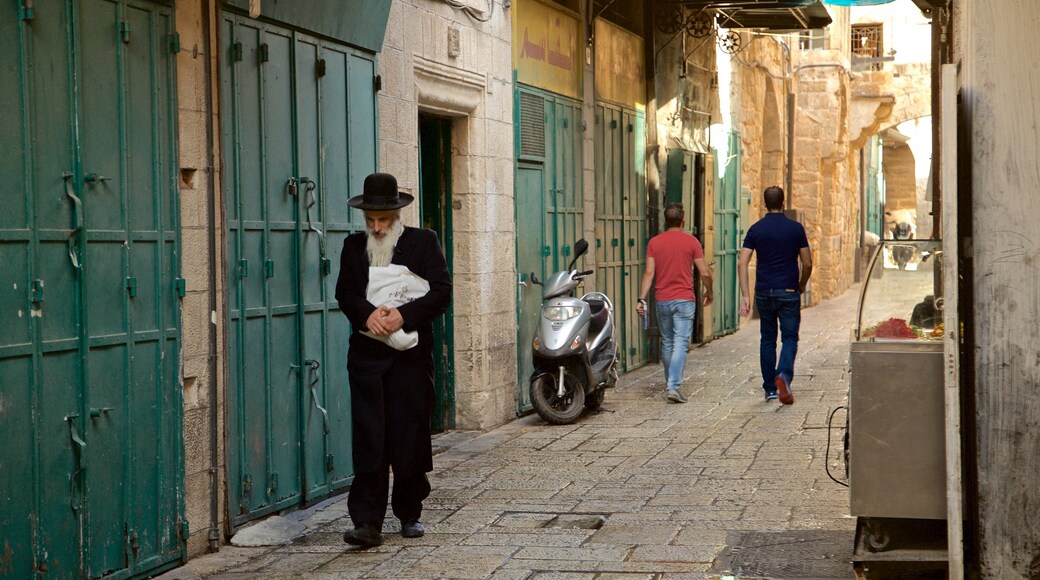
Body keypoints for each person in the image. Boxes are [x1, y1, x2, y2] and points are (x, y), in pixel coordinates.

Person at [335, 173, 452, 548]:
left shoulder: (423, 242)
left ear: (397, 215)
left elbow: (442, 292)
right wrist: (366, 314)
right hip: (367, 358)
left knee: (408, 433)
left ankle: (409, 512)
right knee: (369, 435)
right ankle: (367, 522)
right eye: (370, 220)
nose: (377, 227)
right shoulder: (354, 247)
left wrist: (405, 316)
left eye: (383, 220)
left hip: (411, 360)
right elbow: (345, 293)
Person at [738, 186, 812, 404]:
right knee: (789, 337)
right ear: (783, 202)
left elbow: (742, 262)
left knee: (767, 339)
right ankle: (784, 374)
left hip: (764, 291)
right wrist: (801, 284)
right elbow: (807, 262)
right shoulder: (796, 229)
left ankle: (770, 388)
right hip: (789, 290)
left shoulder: (755, 229)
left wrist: (745, 294)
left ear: (764, 203)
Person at [636, 203, 713, 404]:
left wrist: (641, 299)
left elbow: (649, 273)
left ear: (665, 221)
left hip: (662, 299)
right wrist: (709, 291)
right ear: (683, 220)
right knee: (680, 342)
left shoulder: (654, 243)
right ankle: (674, 386)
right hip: (684, 300)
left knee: (668, 342)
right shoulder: (692, 242)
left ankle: (670, 383)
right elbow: (704, 272)